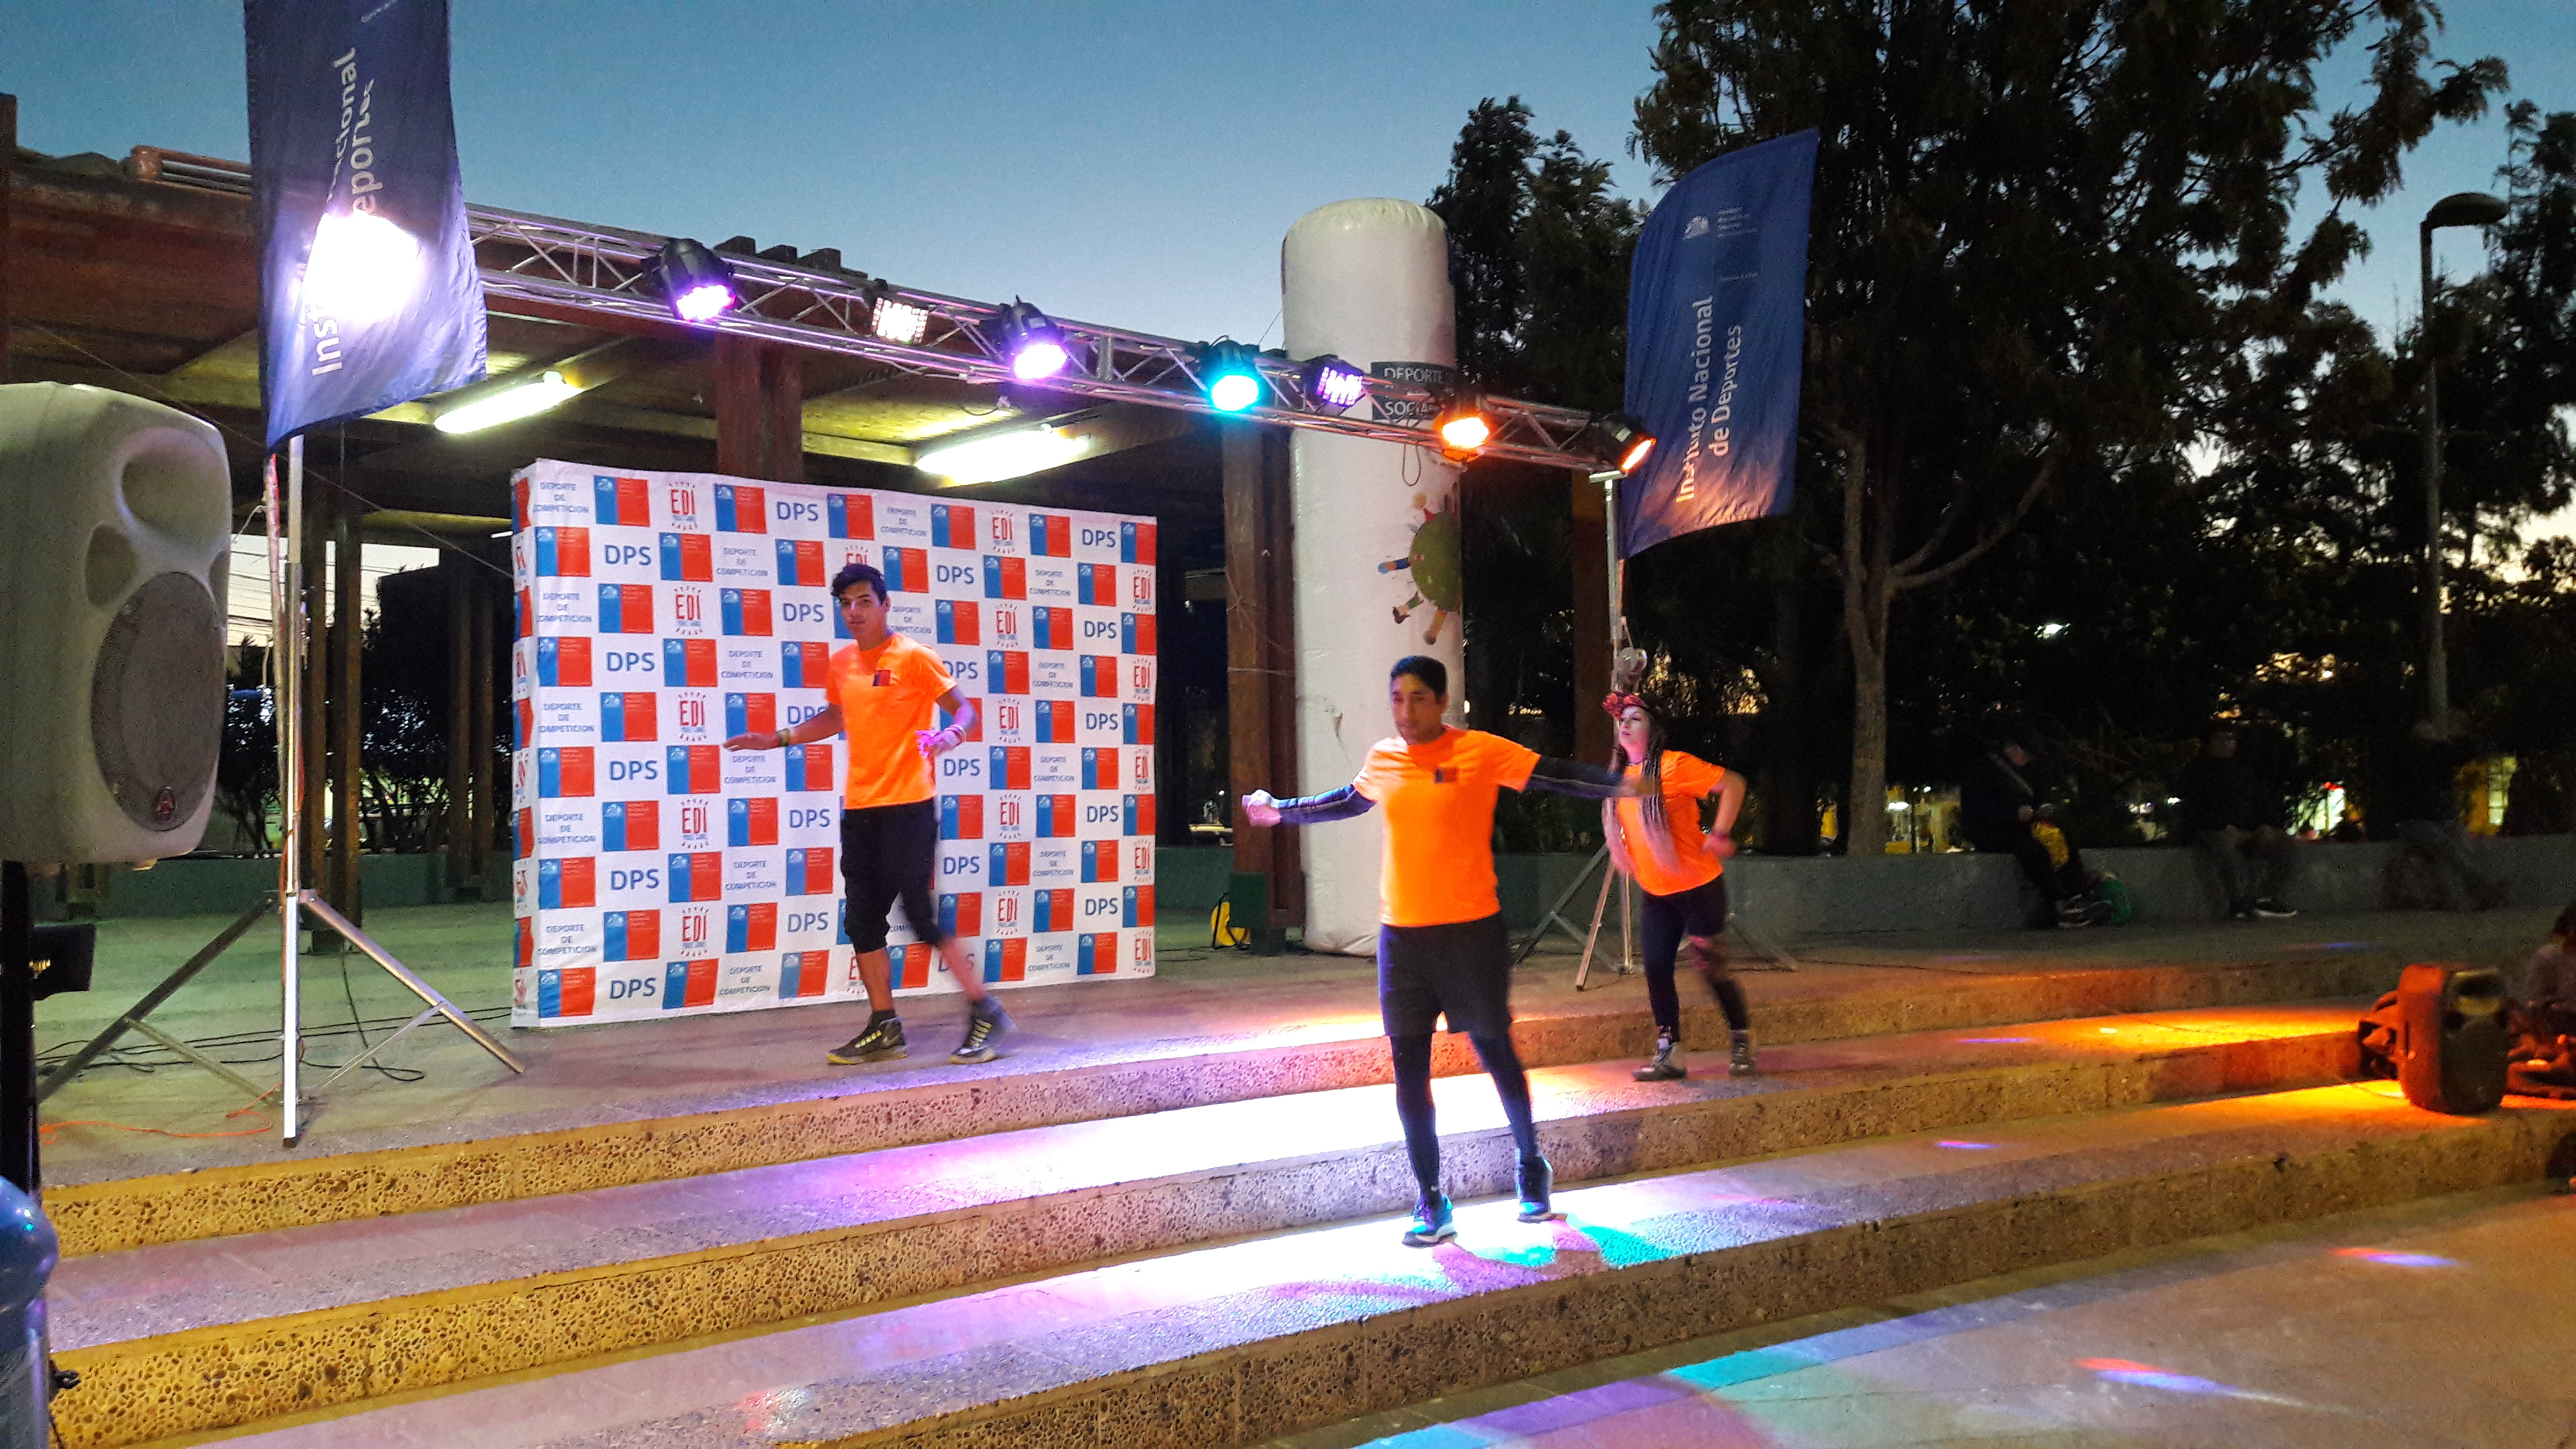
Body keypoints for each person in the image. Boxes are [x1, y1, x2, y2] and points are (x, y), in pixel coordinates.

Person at [1241, 656, 1628, 1247]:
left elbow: (1552, 775)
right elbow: (1347, 800)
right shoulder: (1385, 758)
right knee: (1409, 1068)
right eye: (1397, 698)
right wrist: (1282, 812)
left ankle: (1531, 1163)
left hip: (1472, 934)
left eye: (1419, 698)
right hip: (1404, 939)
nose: (1406, 710)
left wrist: (1626, 785)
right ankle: (1430, 1197)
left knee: (1494, 1048)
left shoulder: (1480, 751)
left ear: (1443, 702)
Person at [725, 562, 1012, 1066]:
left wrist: (952, 735)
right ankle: (885, 1026)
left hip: (909, 808)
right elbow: (837, 715)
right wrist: (776, 739)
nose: (853, 612)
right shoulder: (842, 663)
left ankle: (984, 1009)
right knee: (861, 921)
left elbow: (965, 710)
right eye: (845, 604)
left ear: (884, 605)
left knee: (920, 918)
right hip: (860, 811)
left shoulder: (914, 657)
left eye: (863, 601)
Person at [1599, 692, 1755, 1082]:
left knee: (1710, 967)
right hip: (1656, 891)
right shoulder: (1618, 779)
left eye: (1635, 718)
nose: (1625, 724)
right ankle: (1670, 1053)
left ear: (1653, 730)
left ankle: (1740, 1036)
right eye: (1622, 719)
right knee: (1656, 968)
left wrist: (1720, 833)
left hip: (1698, 885)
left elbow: (1733, 784)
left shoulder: (1674, 766)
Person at [1958, 734, 2107, 928]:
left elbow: (2032, 797)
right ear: (2012, 749)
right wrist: (2013, 814)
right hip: (1992, 831)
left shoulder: (2020, 771)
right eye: (2026, 755)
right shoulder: (1981, 771)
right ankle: (2059, 905)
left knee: (2061, 839)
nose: (2027, 760)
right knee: (2033, 850)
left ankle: (2078, 896)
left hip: (2021, 826)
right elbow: (1976, 810)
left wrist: (2041, 809)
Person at [2175, 724, 2297, 920]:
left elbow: (2260, 801)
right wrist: (2222, 825)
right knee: (2224, 847)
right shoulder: (2196, 772)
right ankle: (2238, 902)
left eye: (2230, 739)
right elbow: (2194, 807)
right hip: (2214, 829)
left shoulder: (2244, 771)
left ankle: (2266, 898)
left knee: (2286, 844)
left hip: (2248, 830)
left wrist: (2265, 826)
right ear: (2208, 744)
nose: (2226, 744)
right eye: (2219, 739)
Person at [2392, 720, 2507, 910]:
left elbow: (2460, 754)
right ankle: (2479, 884)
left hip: (2436, 820)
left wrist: (2459, 739)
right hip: (2414, 822)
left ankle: (2461, 897)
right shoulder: (2410, 761)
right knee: (2445, 846)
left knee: (2455, 845)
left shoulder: (2434, 759)